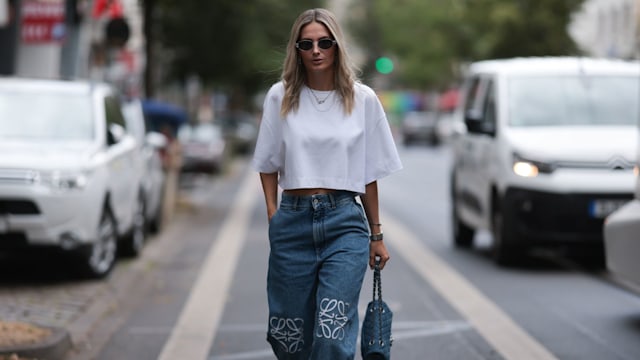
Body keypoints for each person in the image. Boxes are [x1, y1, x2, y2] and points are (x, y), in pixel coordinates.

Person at [251, 8, 402, 359]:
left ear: (337, 46)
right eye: (307, 43)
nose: (316, 50)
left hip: (344, 225)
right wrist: (275, 215)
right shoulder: (281, 96)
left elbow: (369, 174)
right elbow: (267, 164)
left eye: (325, 42)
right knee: (289, 338)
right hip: (292, 223)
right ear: (297, 49)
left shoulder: (362, 99)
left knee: (332, 334)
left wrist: (376, 236)